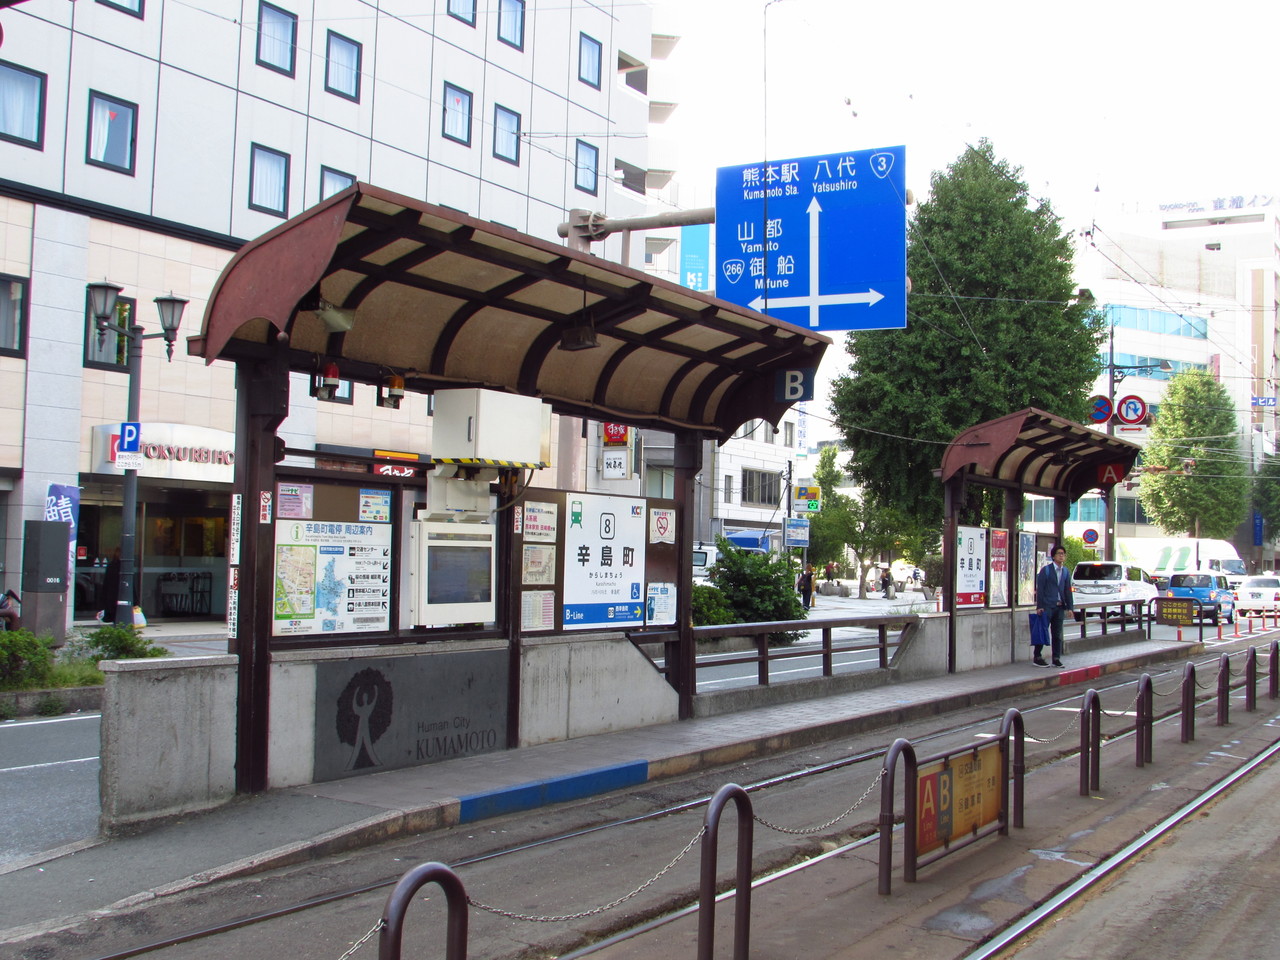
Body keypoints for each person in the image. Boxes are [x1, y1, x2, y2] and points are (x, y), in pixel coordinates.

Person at [1034, 544, 1073, 667]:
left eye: (1063, 554)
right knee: (1043, 631)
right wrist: (1039, 606)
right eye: (1059, 554)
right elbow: (1040, 589)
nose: (1061, 556)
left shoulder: (1066, 571)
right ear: (1053, 556)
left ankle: (1056, 658)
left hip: (1060, 606)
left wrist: (1070, 607)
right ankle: (1037, 656)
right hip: (1047, 606)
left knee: (1057, 634)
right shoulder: (1046, 570)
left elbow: (1068, 590)